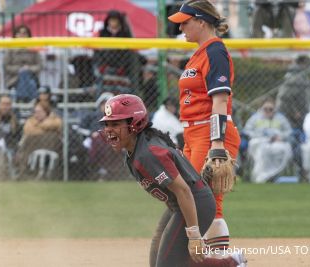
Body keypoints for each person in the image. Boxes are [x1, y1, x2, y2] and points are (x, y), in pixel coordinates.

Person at [98, 94, 246, 267]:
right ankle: (233, 262)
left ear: (135, 124)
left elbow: (184, 191)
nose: (109, 129)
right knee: (160, 259)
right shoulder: (135, 150)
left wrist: (194, 235)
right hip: (181, 205)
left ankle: (231, 264)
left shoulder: (148, 153)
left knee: (167, 264)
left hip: (195, 203)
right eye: (107, 124)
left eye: (116, 124)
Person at [168, 0, 241, 259]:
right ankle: (214, 261)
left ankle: (221, 262)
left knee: (204, 202)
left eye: (185, 22)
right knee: (202, 202)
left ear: (201, 21)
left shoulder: (215, 51)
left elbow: (220, 100)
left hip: (209, 133)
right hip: (193, 134)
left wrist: (217, 143)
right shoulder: (199, 53)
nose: (181, 29)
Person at [243, 98, 293, 183]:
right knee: (262, 151)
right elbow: (247, 130)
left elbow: (289, 131)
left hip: (277, 142)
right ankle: (260, 176)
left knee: (282, 149)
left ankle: (274, 175)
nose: (268, 111)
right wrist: (259, 136)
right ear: (261, 108)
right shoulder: (255, 118)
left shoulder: (281, 118)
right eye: (265, 109)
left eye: (271, 109)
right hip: (259, 142)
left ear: (274, 109)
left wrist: (281, 137)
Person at [3, 25, 42, 103]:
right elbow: (6, 66)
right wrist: (19, 69)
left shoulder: (33, 49)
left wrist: (28, 68)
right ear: (15, 35)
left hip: (31, 77)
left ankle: (22, 99)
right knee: (24, 76)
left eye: (24, 33)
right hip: (14, 79)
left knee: (26, 75)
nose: (22, 35)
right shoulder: (10, 49)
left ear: (28, 36)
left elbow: (39, 65)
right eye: (19, 33)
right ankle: (30, 101)